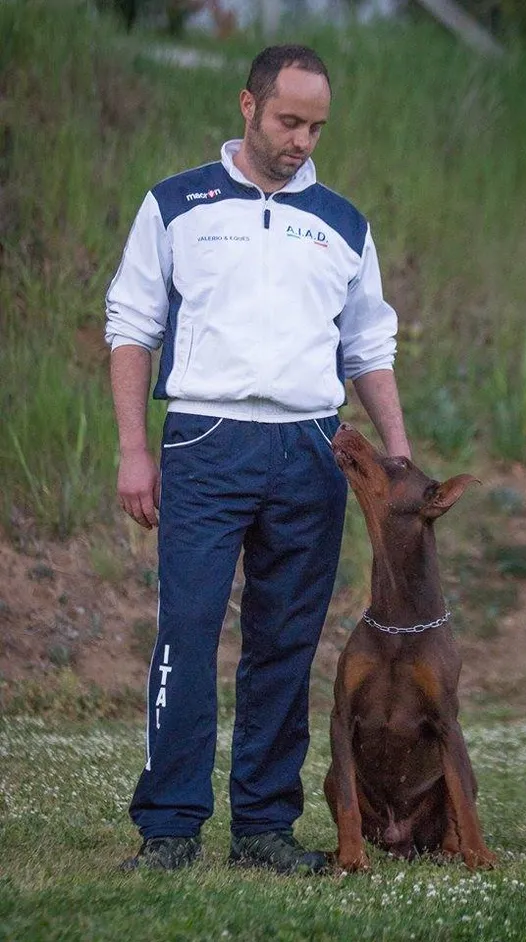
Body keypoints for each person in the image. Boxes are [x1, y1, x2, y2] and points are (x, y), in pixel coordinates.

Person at [105, 44, 410, 874]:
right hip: (205, 440)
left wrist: (399, 455)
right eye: (288, 121)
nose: (302, 140)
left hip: (312, 448)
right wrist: (136, 452)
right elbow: (131, 327)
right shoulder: (177, 204)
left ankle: (264, 831)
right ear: (248, 106)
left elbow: (368, 345)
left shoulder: (344, 224)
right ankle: (169, 829)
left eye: (316, 127)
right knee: (189, 632)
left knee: (285, 642)